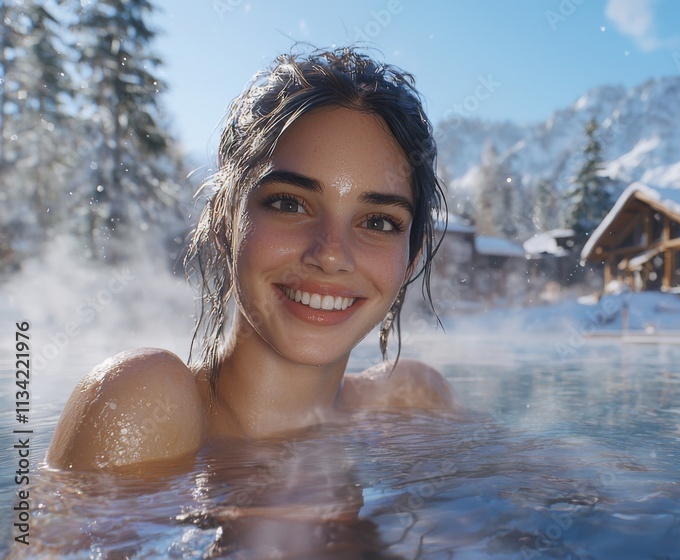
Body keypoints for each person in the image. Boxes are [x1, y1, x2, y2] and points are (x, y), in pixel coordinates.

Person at [46, 47, 456, 473]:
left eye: (377, 221)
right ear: (226, 221)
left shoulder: (412, 404)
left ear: (411, 259)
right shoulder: (143, 400)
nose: (331, 253)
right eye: (290, 204)